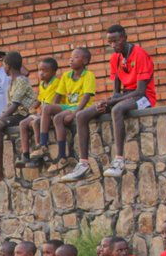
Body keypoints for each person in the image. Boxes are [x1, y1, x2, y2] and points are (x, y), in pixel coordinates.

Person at [63, 24, 156, 181]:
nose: (113, 45)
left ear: (124, 38)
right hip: (125, 96)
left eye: (116, 41)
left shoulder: (140, 54)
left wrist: (112, 103)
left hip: (144, 98)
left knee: (117, 109)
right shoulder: (116, 58)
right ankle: (83, 164)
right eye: (110, 42)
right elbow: (117, 92)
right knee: (82, 115)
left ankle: (119, 161)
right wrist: (107, 101)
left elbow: (140, 91)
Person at [0, 51, 36, 188]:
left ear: (8, 66)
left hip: (21, 115)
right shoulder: (12, 81)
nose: (3, 68)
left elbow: (15, 105)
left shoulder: (22, 81)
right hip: (11, 114)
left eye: (4, 65)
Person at [36, 47, 95, 170]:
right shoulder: (66, 76)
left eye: (76, 57)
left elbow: (86, 98)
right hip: (67, 106)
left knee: (58, 118)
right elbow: (58, 96)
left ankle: (62, 156)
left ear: (84, 61)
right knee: (47, 108)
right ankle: (43, 145)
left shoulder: (88, 75)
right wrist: (51, 111)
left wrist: (74, 114)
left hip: (80, 107)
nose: (71, 60)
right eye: (70, 57)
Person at [15, 57, 59, 168]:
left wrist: (39, 114)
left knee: (35, 123)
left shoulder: (56, 83)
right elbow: (39, 100)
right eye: (39, 70)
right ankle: (25, 155)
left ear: (53, 72)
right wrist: (31, 109)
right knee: (23, 123)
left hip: (51, 114)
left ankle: (41, 151)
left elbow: (53, 104)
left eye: (45, 71)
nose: (41, 73)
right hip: (42, 113)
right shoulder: (42, 84)